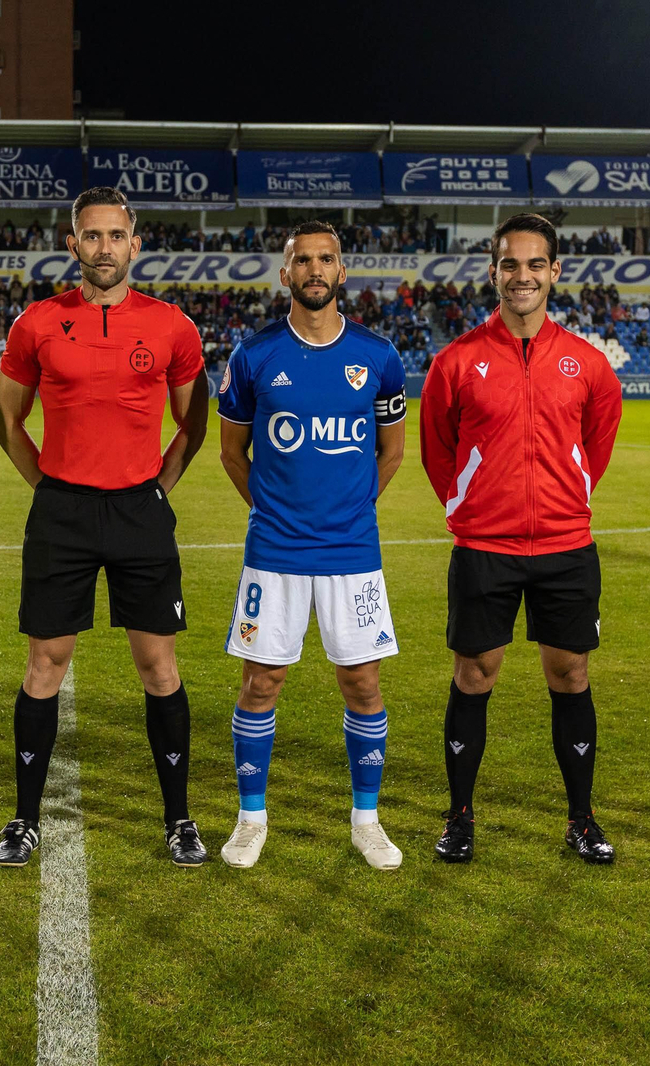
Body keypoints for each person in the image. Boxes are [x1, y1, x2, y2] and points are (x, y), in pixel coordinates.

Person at [0, 186, 210, 867]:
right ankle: (25, 819)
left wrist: (157, 489)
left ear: (135, 245)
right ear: (73, 244)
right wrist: (51, 488)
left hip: (139, 510)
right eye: (92, 236)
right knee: (44, 664)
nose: (104, 247)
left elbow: (192, 421)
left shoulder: (172, 325)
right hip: (63, 511)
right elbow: (8, 421)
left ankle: (178, 820)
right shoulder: (35, 324)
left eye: (117, 236)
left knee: (158, 664)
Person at [420, 213, 624, 865]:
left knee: (570, 674)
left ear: (556, 272)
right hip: (484, 548)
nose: (523, 276)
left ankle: (582, 819)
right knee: (474, 674)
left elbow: (598, 443)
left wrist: (570, 497)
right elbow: (437, 450)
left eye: (536, 264)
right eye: (511, 264)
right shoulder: (456, 361)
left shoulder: (589, 363)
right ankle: (459, 818)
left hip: (566, 547)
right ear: (494, 271)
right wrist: (468, 505)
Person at [215, 221, 408, 871]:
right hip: (275, 551)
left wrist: (350, 510)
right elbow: (232, 453)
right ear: (285, 274)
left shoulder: (378, 356)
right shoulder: (253, 357)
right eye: (303, 260)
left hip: (352, 552)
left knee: (362, 680)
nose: (315, 269)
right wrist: (276, 511)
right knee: (262, 680)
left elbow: (392, 452)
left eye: (327, 259)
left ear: (343, 272)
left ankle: (367, 820)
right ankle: (250, 819)